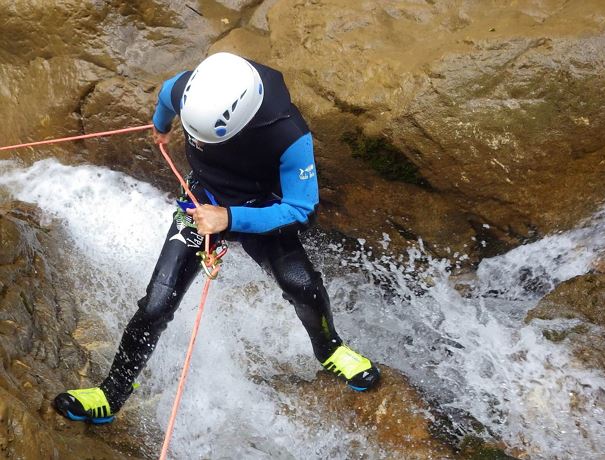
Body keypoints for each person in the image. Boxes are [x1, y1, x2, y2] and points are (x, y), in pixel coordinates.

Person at [53, 52, 380, 424]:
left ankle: (330, 349)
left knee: (300, 284)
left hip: (261, 209)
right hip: (201, 200)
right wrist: (161, 125)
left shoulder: (288, 134)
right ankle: (111, 394)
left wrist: (230, 218)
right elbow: (165, 95)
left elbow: (301, 209)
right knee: (157, 304)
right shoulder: (191, 90)